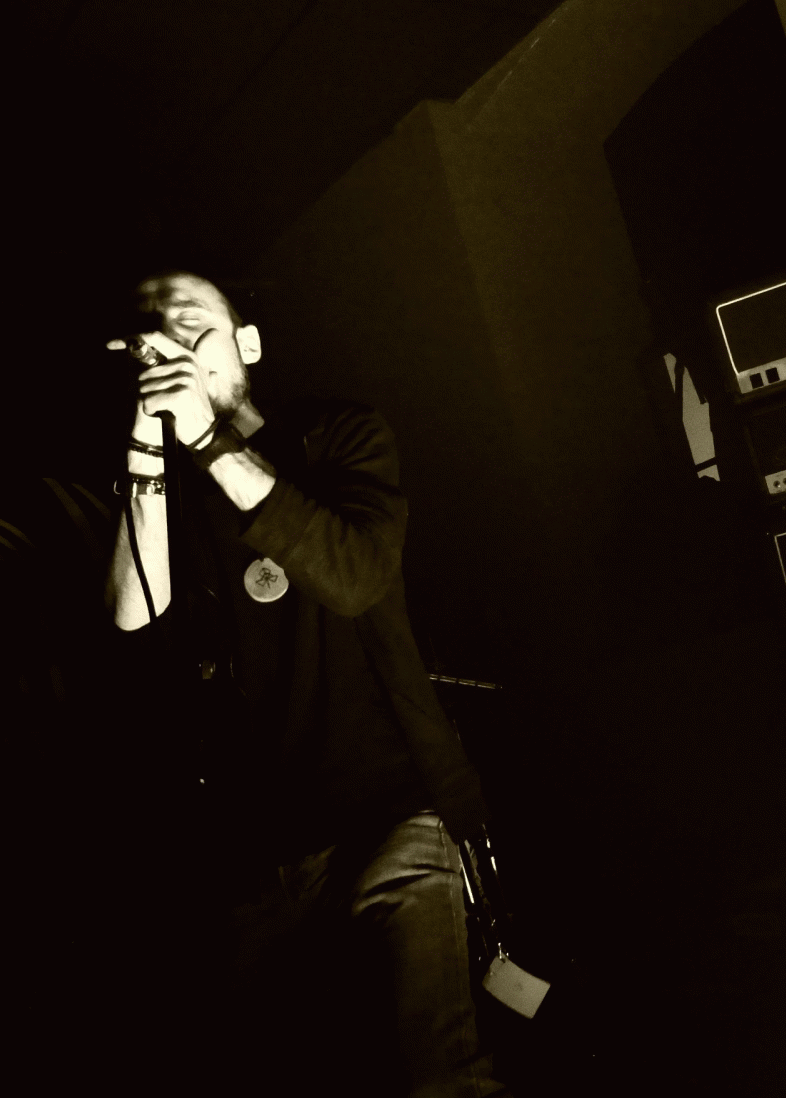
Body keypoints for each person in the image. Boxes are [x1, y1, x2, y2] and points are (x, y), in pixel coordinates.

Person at [103, 272, 508, 1097]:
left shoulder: (338, 436)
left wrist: (208, 438)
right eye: (153, 336)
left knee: (438, 1073)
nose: (172, 348)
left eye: (191, 326)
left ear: (247, 345)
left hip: (394, 815)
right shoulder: (173, 492)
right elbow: (133, 614)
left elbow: (355, 577)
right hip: (263, 850)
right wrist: (147, 447)